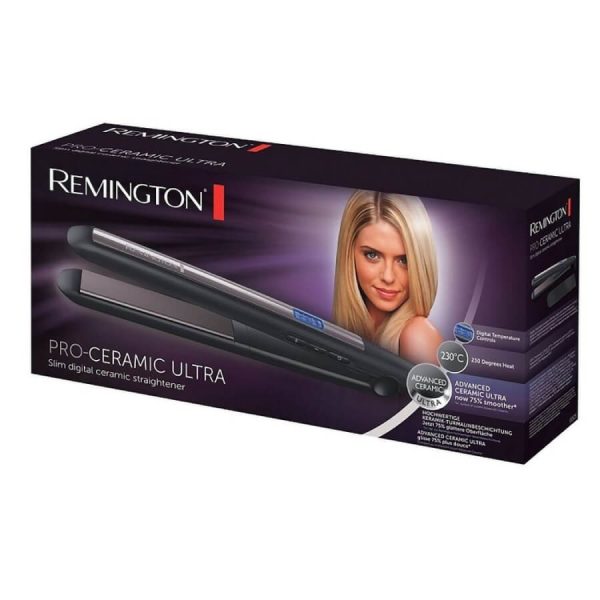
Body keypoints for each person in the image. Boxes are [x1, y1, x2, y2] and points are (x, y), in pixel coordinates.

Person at [333, 190, 442, 363]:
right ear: (348, 254)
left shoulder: (417, 335)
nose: (388, 277)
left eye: (404, 260)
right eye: (372, 255)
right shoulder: (345, 330)